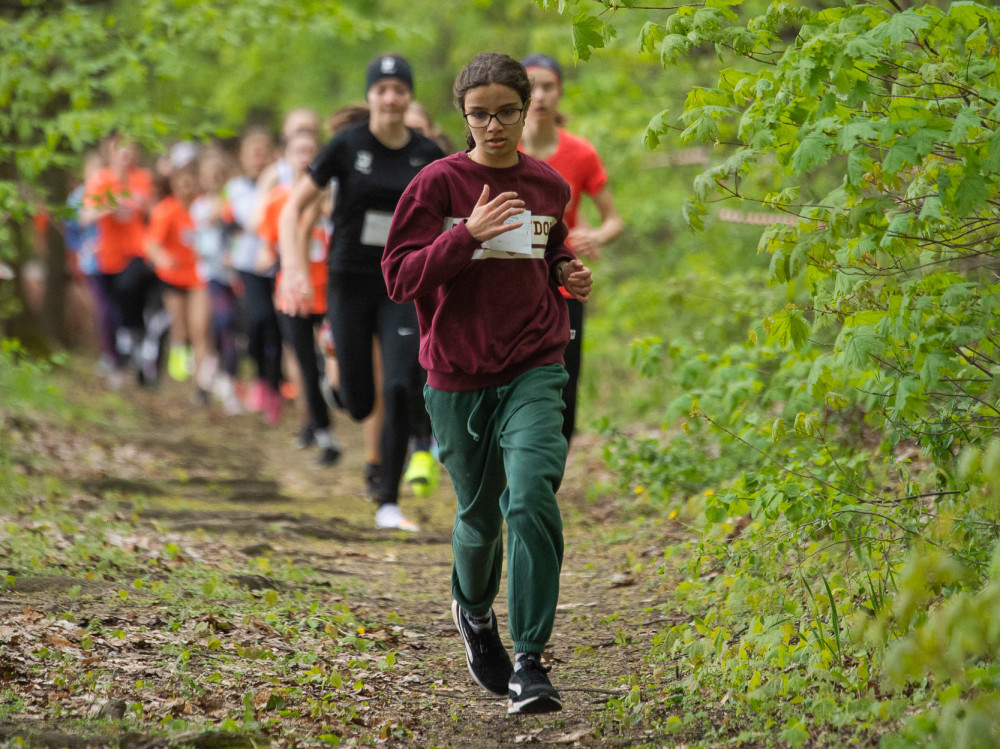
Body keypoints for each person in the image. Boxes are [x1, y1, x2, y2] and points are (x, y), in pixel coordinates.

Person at [382, 52, 593, 714]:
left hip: (535, 361)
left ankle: (530, 658)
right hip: (457, 373)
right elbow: (398, 276)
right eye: (480, 114)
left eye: (507, 112)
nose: (494, 126)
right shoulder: (437, 185)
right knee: (477, 514)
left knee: (530, 496)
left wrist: (569, 273)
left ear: (528, 109)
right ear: (464, 116)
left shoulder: (548, 184)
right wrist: (465, 235)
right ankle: (473, 612)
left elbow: (551, 249)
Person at [277, 54, 444, 532]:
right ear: (370, 96)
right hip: (348, 281)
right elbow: (293, 210)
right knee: (358, 402)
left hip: (402, 284)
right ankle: (338, 377)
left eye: (399, 89)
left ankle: (388, 502)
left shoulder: (427, 153)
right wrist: (293, 268)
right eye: (382, 89)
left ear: (410, 96)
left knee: (398, 385)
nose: (391, 97)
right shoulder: (347, 145)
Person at [519, 53, 623, 446]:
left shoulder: (580, 153)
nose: (540, 95)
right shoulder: (501, 150)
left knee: (563, 388)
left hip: (565, 284)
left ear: (560, 92)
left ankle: (545, 485)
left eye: (548, 86)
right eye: (531, 86)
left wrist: (595, 235)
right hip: (511, 283)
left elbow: (614, 220)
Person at [262, 129, 341, 465]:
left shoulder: (335, 197)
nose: (306, 157)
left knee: (335, 362)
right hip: (293, 295)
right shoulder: (280, 200)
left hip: (331, 293)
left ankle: (334, 397)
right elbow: (271, 245)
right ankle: (324, 434)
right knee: (306, 365)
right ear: (287, 156)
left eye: (312, 150)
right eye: (299, 150)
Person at [81, 134, 157, 388]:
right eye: (120, 150)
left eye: (130, 149)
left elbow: (151, 213)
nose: (126, 155)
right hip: (107, 255)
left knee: (130, 290)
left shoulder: (143, 179)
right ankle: (119, 362)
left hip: (137, 251)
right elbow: (85, 216)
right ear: (110, 153)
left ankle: (133, 340)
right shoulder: (101, 180)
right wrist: (109, 207)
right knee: (108, 313)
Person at [226, 126, 283, 425]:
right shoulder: (237, 188)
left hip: (279, 265)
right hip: (248, 265)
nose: (259, 159)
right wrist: (266, 186)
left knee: (276, 326)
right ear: (243, 157)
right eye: (253, 154)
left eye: (264, 153)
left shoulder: (283, 183)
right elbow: (252, 221)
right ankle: (262, 379)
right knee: (258, 321)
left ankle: (274, 388)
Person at [145, 162, 212, 403]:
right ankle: (178, 363)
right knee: (181, 329)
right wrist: (162, 257)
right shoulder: (165, 211)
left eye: (191, 182)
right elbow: (152, 244)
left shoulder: (203, 209)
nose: (187, 187)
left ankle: (202, 386)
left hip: (199, 277)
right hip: (172, 277)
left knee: (200, 329)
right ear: (174, 185)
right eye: (182, 183)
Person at [191, 145, 242, 413]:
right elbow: (204, 235)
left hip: (235, 275)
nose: (213, 179)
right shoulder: (200, 206)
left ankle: (226, 381)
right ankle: (205, 381)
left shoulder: (234, 200)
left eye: (218, 174)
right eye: (208, 174)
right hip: (209, 276)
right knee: (212, 327)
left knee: (230, 329)